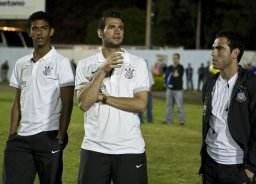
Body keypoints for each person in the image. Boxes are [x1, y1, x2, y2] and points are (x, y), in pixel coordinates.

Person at [75, 11, 149, 184]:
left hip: (130, 148)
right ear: (100, 32)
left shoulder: (138, 63)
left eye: (121, 27)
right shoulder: (85, 65)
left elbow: (140, 104)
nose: (117, 31)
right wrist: (103, 70)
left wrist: (103, 98)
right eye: (111, 27)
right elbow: (84, 104)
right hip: (94, 148)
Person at [2, 11, 75, 184]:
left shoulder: (61, 63)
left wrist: (60, 138)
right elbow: (17, 102)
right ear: (29, 32)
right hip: (21, 138)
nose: (39, 32)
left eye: (44, 28)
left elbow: (67, 104)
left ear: (51, 31)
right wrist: (12, 134)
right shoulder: (21, 63)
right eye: (35, 28)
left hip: (48, 136)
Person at [199, 30, 256, 184]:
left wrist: (251, 169)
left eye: (219, 48)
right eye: (213, 48)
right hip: (210, 164)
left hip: (238, 168)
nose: (213, 53)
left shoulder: (255, 85)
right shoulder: (209, 84)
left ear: (235, 53)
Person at [164, 53, 185, 125]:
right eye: (173, 58)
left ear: (179, 59)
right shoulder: (170, 67)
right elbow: (166, 74)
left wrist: (171, 74)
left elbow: (176, 75)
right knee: (169, 105)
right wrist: (172, 74)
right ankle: (168, 120)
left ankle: (181, 121)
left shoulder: (181, 67)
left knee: (179, 106)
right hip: (169, 89)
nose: (174, 59)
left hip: (178, 90)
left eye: (176, 58)